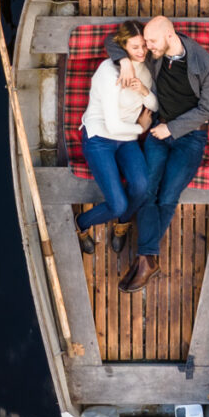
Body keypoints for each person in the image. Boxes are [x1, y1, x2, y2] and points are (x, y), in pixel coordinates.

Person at [105, 15, 209, 292]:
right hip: (158, 131)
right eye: (145, 43)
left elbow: (207, 111)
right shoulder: (157, 55)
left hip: (190, 138)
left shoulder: (203, 63)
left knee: (167, 196)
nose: (146, 48)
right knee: (147, 191)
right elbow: (112, 41)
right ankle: (147, 260)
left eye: (151, 42)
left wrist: (172, 129)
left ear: (169, 36)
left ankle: (146, 259)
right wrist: (124, 63)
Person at [75, 21, 158, 255]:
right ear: (123, 47)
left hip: (126, 139)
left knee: (142, 187)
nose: (141, 52)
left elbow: (153, 104)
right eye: (134, 47)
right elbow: (112, 125)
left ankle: (122, 223)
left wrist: (143, 91)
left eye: (144, 46)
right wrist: (141, 129)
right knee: (118, 203)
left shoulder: (146, 69)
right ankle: (81, 223)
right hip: (100, 139)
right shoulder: (107, 72)